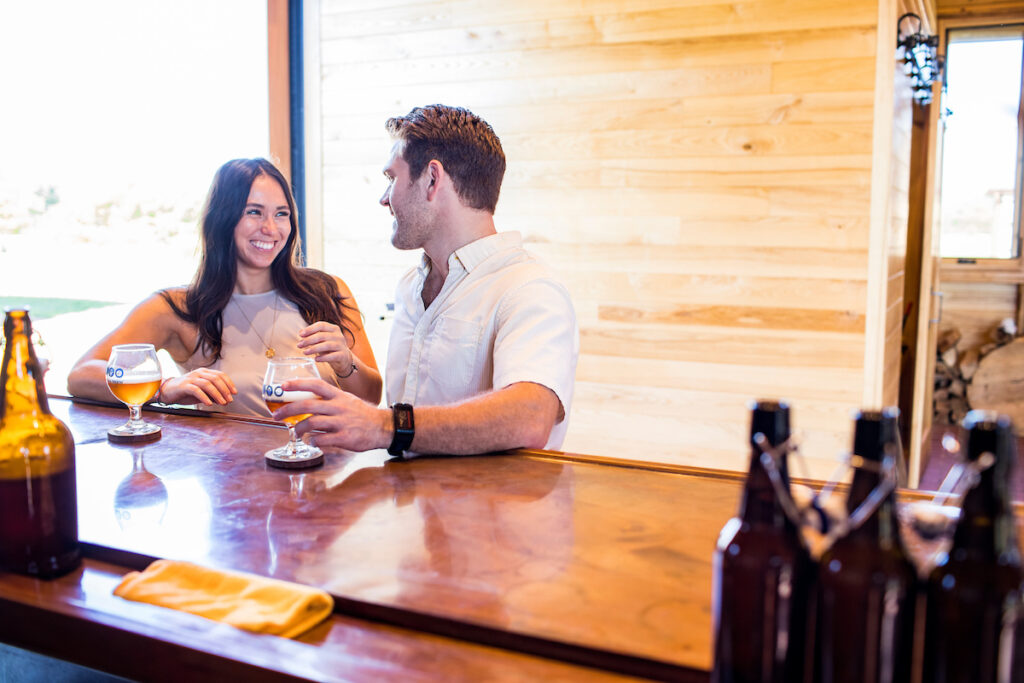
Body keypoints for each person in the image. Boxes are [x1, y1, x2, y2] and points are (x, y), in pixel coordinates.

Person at [275, 104, 578, 457]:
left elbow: (530, 416)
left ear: (432, 179)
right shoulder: (408, 287)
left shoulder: (529, 289)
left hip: (490, 511)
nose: (384, 198)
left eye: (392, 178)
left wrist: (383, 425)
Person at [68, 158, 381, 415]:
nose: (270, 228)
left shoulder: (328, 291)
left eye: (281, 214)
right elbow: (81, 375)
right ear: (222, 218)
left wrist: (345, 362)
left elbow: (371, 397)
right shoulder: (177, 309)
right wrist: (164, 388)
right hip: (236, 483)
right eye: (253, 212)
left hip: (323, 476)